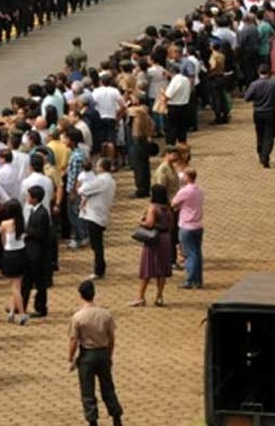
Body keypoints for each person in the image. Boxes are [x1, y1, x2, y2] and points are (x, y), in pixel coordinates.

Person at [68, 280, 124, 426]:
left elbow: (74, 340)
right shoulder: (105, 314)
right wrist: (109, 354)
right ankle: (116, 416)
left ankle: (92, 420)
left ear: (81, 295)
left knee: (87, 389)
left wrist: (71, 357)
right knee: (108, 386)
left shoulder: (78, 317)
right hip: (103, 353)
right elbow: (111, 337)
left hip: (87, 355)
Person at [131, 185, 174, 307]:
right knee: (162, 270)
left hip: (154, 239)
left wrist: (140, 222)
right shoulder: (167, 208)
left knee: (147, 267)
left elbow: (149, 224)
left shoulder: (153, 207)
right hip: (165, 239)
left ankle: (141, 296)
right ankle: (159, 296)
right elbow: (171, 225)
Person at [243, 63, 275, 168]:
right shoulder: (274, 84)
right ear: (270, 72)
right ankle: (265, 155)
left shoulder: (254, 84)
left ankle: (261, 153)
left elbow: (246, 98)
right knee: (270, 135)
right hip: (270, 112)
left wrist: (255, 98)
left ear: (258, 72)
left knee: (260, 134)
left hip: (258, 113)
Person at [79, 159, 117, 280]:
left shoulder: (101, 180)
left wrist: (81, 185)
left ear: (101, 167)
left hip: (95, 215)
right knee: (97, 244)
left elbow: (82, 190)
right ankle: (100, 267)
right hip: (101, 213)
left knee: (96, 245)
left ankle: (99, 270)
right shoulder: (110, 180)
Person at [170, 168, 204, 289]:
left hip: (187, 226)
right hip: (198, 225)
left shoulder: (184, 191)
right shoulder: (200, 190)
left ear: (188, 177)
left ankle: (190, 280)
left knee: (189, 254)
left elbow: (173, 203)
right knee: (197, 253)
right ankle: (198, 279)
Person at [22, 185, 51, 319]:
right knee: (26, 281)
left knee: (39, 282)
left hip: (38, 253)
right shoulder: (34, 211)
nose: (27, 198)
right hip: (31, 251)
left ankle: (40, 307)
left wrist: (27, 232)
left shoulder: (42, 213)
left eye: (29, 196)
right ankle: (21, 305)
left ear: (35, 198)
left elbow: (41, 233)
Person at [0, 199, 28, 324]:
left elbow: (3, 241)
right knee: (17, 284)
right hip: (21, 253)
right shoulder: (22, 222)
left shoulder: (5, 224)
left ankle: (21, 313)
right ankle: (11, 311)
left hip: (10, 254)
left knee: (15, 287)